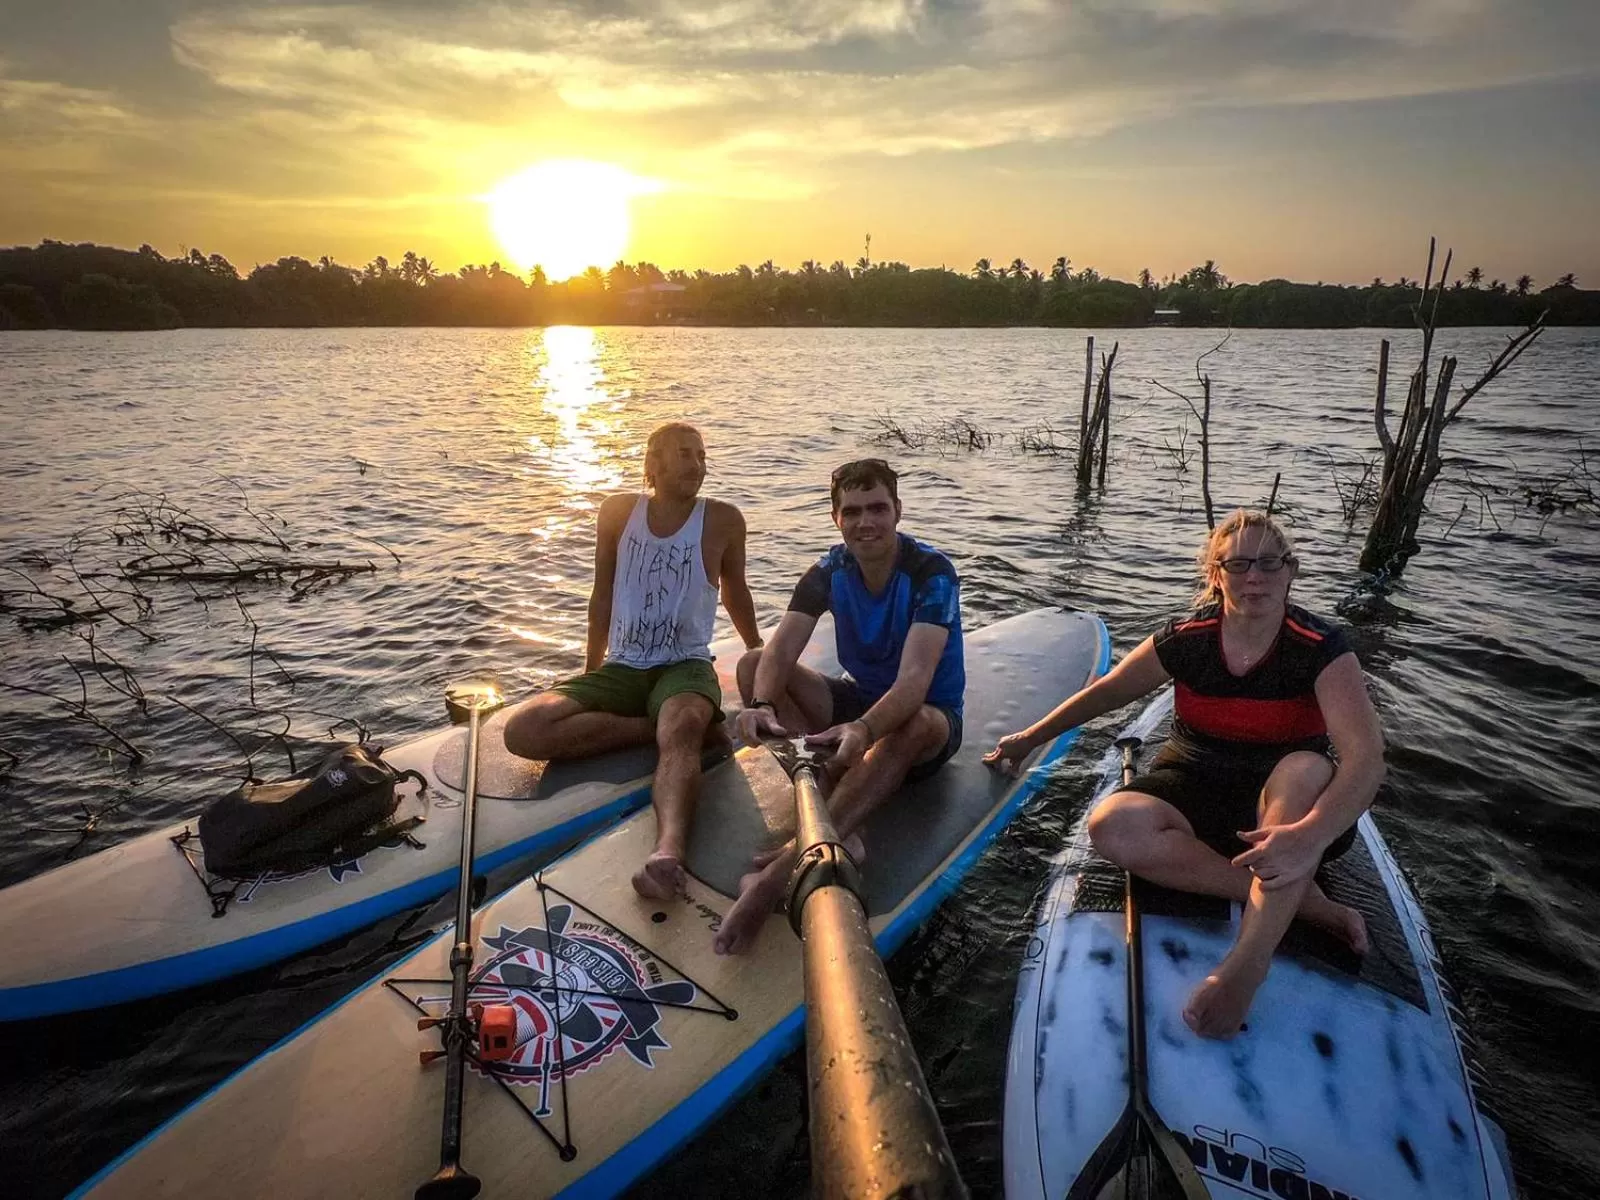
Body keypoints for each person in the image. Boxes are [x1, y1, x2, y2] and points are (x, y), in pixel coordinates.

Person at [985, 509, 1385, 1039]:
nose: (1255, 577)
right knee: (1111, 824)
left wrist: (1309, 836)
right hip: (1196, 779)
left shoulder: (1321, 647)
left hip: (1287, 805)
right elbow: (1106, 693)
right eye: (1238, 564)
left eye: (1269, 563)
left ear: (1290, 571)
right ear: (1216, 575)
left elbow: (1366, 759)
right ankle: (1306, 904)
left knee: (1302, 771)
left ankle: (1246, 966)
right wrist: (1028, 738)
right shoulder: (1187, 638)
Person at [503, 422, 762, 901]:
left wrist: (756, 650)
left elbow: (735, 592)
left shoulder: (723, 519)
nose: (697, 465)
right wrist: (591, 670)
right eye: (684, 454)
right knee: (523, 730)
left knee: (680, 726)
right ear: (653, 464)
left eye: (702, 456)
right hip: (623, 667)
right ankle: (669, 728)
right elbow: (601, 593)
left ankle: (667, 853)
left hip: (684, 665)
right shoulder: (618, 512)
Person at [716, 458, 965, 955]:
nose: (865, 522)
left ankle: (781, 872)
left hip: (926, 721)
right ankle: (839, 811)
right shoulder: (830, 570)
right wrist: (760, 705)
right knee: (754, 665)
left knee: (915, 722)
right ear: (836, 518)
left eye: (877, 508)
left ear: (898, 511)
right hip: (858, 700)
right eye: (852, 511)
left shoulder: (931, 573)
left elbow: (914, 683)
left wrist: (865, 730)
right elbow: (780, 650)